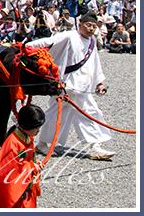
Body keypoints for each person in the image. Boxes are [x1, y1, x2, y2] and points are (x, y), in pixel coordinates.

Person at [30, 11, 116, 160]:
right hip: (67, 86)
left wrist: (99, 82)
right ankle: (42, 143)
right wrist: (27, 46)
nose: (91, 29)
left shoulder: (92, 43)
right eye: (88, 25)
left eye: (94, 27)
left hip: (84, 88)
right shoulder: (70, 36)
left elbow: (95, 64)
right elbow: (50, 42)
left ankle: (95, 146)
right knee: (57, 115)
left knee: (90, 113)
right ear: (80, 24)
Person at [0, 104, 46, 208]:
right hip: (16, 193)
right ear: (26, 125)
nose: (38, 131)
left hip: (24, 188)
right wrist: (32, 167)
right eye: (36, 128)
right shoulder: (13, 144)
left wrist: (34, 165)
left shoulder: (26, 137)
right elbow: (11, 169)